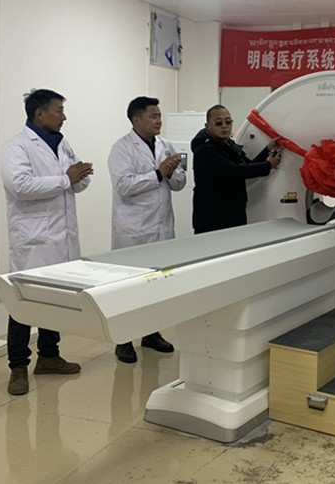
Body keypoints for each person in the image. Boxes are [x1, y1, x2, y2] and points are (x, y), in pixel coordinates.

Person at [0, 89, 93, 395]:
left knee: (54, 299)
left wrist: (79, 176)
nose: (64, 116)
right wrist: (66, 178)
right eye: (59, 110)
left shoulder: (61, 142)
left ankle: (49, 356)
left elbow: (76, 182)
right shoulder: (17, 147)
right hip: (34, 239)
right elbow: (20, 186)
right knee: (23, 303)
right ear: (39, 114)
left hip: (61, 236)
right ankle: (18, 366)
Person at [108, 96, 185, 363]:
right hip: (134, 230)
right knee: (128, 288)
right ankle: (123, 340)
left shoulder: (165, 145)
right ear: (136, 119)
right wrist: (158, 173)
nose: (159, 120)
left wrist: (172, 172)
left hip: (161, 228)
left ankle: (151, 334)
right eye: (153, 116)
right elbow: (124, 186)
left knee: (156, 286)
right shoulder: (121, 148)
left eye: (159, 115)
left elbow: (179, 183)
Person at [191, 105, 281, 234]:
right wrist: (268, 165)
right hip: (212, 218)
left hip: (233, 213)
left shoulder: (228, 145)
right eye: (218, 123)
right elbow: (234, 171)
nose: (224, 126)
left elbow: (248, 164)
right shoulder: (205, 150)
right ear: (207, 126)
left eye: (228, 122)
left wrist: (267, 149)